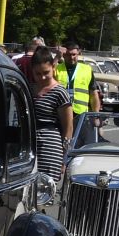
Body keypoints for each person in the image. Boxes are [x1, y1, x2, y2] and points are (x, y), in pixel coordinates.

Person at [29, 46, 74, 181]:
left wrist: (64, 158)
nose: (42, 77)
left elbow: (68, 128)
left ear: (53, 68)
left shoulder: (59, 92)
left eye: (46, 72)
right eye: (38, 73)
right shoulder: (29, 88)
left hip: (50, 148)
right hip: (29, 148)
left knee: (44, 193)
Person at [56, 43, 98, 117]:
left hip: (81, 114)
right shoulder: (56, 69)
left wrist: (96, 115)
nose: (71, 57)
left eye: (74, 54)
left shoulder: (87, 69)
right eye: (69, 55)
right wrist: (57, 57)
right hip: (61, 112)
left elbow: (93, 94)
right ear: (64, 55)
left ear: (78, 53)